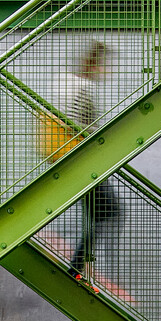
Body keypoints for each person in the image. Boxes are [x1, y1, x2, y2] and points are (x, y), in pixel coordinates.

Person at [44, 40, 121, 285]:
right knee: (107, 212)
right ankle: (78, 267)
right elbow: (89, 128)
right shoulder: (83, 88)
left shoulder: (61, 82)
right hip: (79, 162)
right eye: (105, 65)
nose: (106, 72)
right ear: (95, 64)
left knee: (98, 213)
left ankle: (78, 263)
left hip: (61, 160)